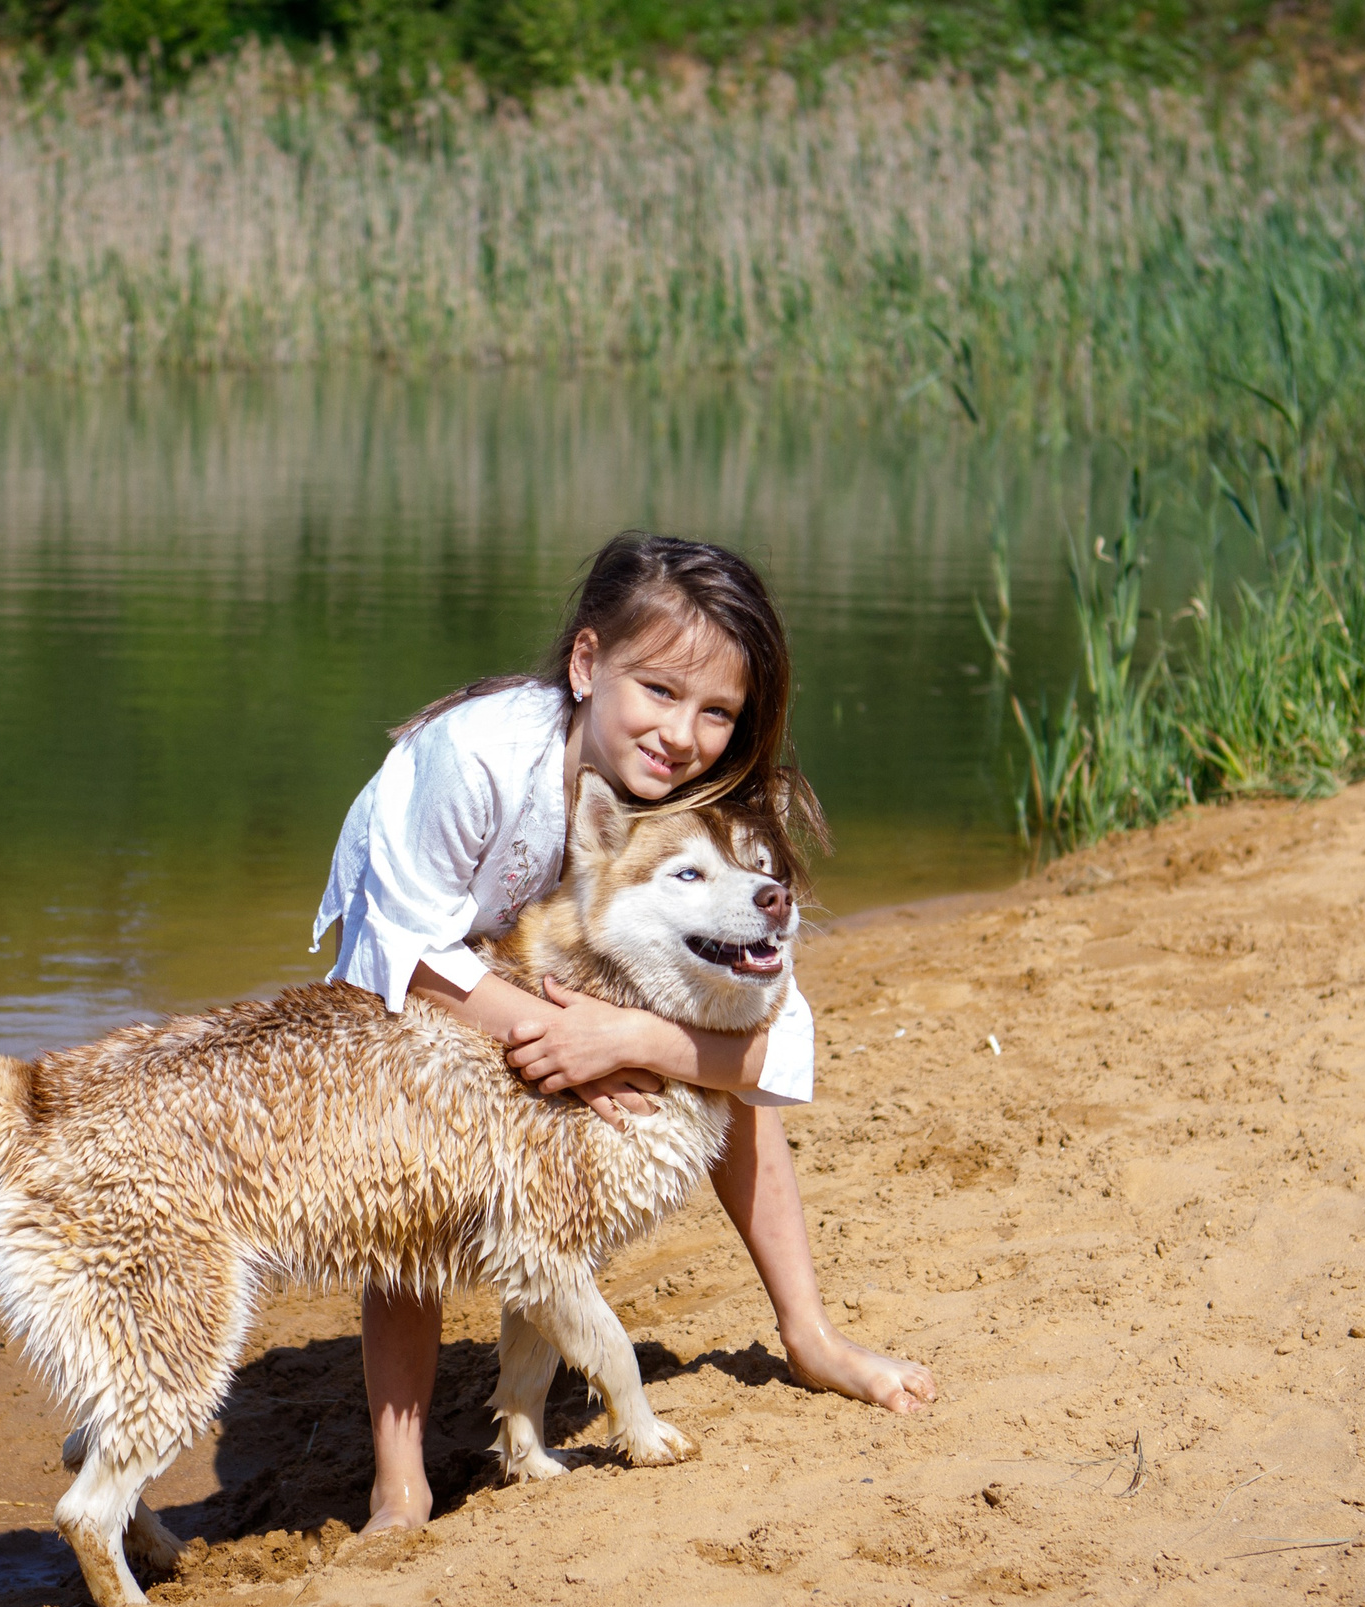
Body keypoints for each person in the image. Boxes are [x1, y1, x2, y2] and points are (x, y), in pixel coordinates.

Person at [312, 532, 938, 1533]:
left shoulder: (714, 810)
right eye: (656, 690)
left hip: (580, 932)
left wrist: (628, 1042)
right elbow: (406, 952)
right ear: (586, 663)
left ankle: (809, 1333)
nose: (682, 734)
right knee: (416, 1155)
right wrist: (555, 1030)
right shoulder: (474, 759)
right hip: (415, 931)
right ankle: (400, 1477)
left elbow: (775, 1052)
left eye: (717, 712)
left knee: (719, 1074)